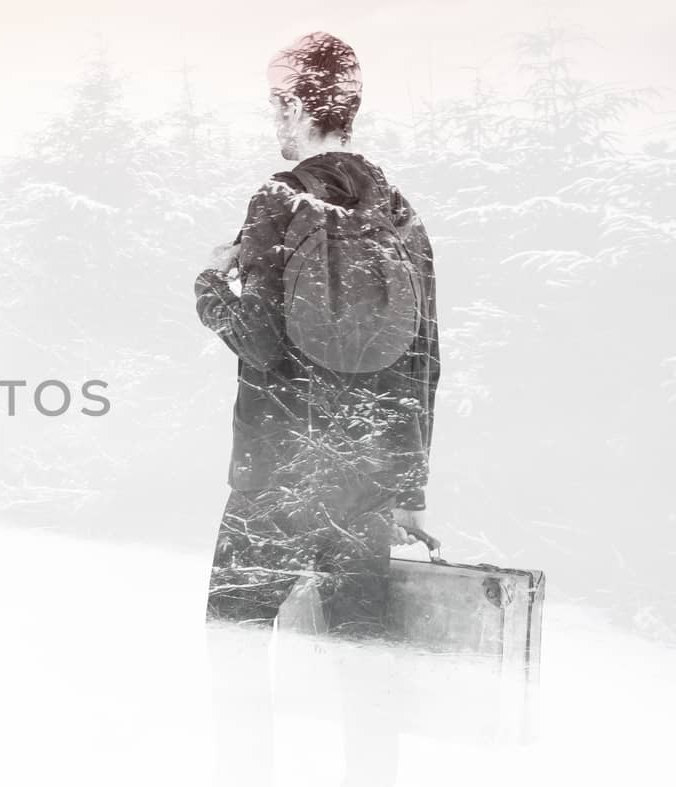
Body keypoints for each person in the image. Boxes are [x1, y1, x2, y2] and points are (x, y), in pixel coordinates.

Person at [192, 32, 441, 787]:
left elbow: (262, 341)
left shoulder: (278, 199)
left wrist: (209, 285)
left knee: (233, 641)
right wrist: (405, 492)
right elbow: (424, 362)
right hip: (362, 483)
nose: (275, 119)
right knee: (366, 665)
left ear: (297, 105)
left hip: (274, 477)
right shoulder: (401, 214)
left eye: (277, 103)